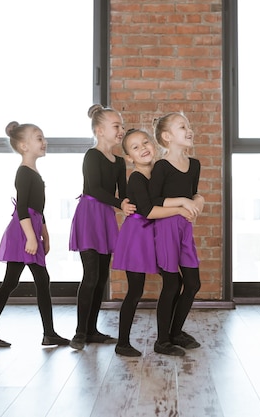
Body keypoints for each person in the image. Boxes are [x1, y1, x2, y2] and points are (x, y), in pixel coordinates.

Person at [0, 121, 69, 348]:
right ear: (23, 146)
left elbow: (38, 209)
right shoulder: (24, 173)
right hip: (22, 231)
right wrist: (30, 237)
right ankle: (48, 333)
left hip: (30, 228)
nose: (44, 141)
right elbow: (22, 209)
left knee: (12, 282)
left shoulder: (33, 172)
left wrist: (45, 235)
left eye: (43, 137)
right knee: (35, 280)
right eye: (38, 138)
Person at [112, 129, 198, 357]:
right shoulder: (137, 178)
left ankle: (169, 335)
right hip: (137, 237)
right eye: (135, 147)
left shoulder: (160, 172)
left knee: (174, 281)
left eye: (145, 142)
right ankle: (122, 342)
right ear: (129, 158)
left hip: (155, 233)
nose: (143, 148)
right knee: (136, 289)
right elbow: (149, 211)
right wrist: (180, 207)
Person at [68, 104, 136, 350]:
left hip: (106, 217)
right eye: (116, 126)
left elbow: (125, 193)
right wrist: (120, 203)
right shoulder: (92, 156)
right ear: (99, 130)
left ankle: (92, 330)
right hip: (90, 215)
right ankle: (79, 332)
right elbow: (95, 189)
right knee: (91, 275)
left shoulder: (119, 162)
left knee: (102, 278)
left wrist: (133, 201)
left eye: (122, 126)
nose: (121, 130)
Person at [149, 112, 205, 356]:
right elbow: (153, 201)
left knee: (193, 283)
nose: (189, 130)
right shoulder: (161, 167)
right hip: (164, 229)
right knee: (172, 284)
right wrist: (182, 202)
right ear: (167, 137)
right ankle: (162, 341)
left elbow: (194, 194)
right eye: (183, 126)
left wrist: (197, 202)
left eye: (189, 126)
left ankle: (176, 332)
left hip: (184, 229)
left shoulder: (194, 165)